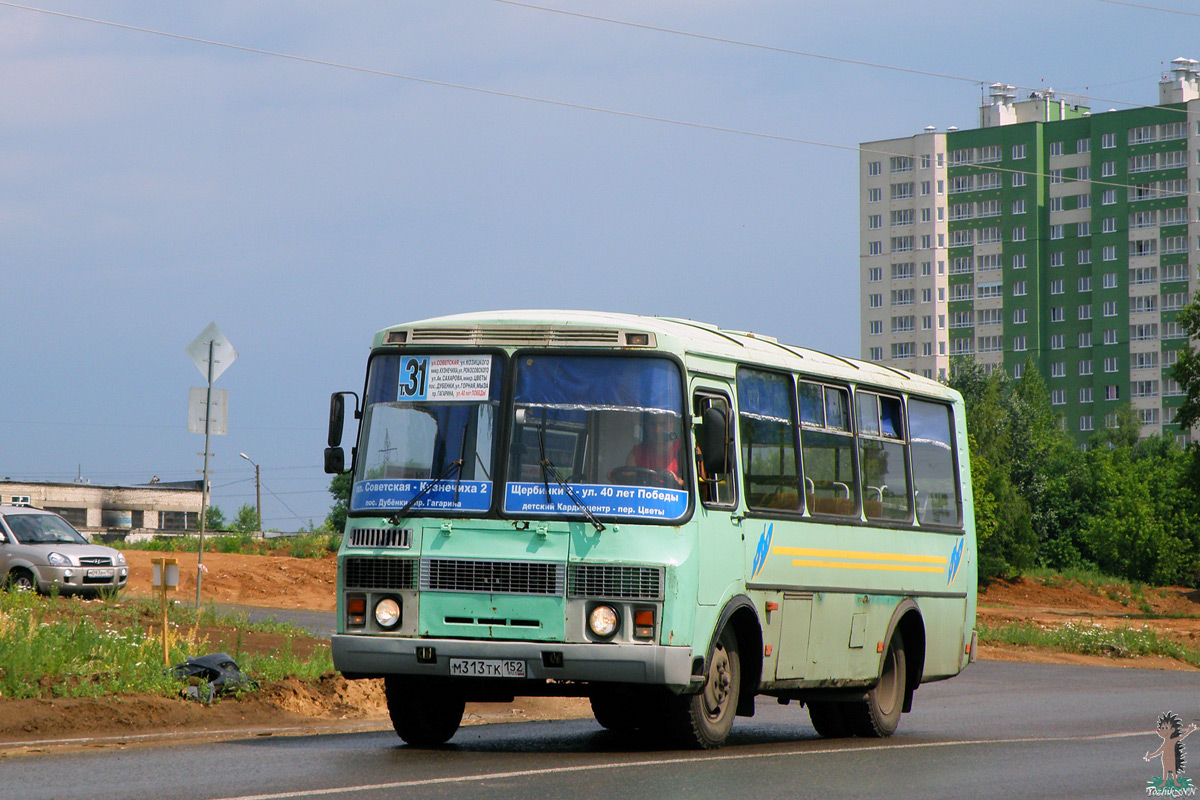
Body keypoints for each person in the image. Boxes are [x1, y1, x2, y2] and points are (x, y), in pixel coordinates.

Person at [615, 413, 685, 488]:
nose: (657, 430)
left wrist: (677, 481)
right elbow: (628, 485)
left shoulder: (684, 450)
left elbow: (696, 485)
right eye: (653, 424)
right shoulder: (637, 453)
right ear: (647, 427)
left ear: (671, 425)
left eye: (663, 424)